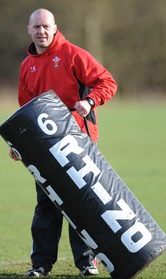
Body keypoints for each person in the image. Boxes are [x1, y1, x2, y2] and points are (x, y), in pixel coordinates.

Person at [9, 8, 117, 277]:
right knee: (46, 206)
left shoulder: (73, 54)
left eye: (46, 26)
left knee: (82, 205)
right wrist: (18, 143)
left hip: (79, 142)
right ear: (29, 30)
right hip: (45, 147)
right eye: (36, 27)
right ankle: (41, 264)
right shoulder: (27, 66)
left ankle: (87, 262)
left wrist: (90, 101)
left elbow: (107, 82)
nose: (41, 31)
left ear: (55, 28)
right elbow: (25, 110)